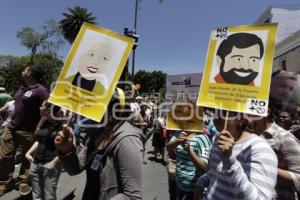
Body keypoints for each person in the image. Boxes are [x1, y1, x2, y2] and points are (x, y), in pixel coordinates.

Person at [55, 88, 143, 200]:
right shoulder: (97, 132)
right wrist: (66, 150)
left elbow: (132, 197)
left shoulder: (127, 140)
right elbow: (75, 169)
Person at [195, 110, 278, 200]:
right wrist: (201, 182)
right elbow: (214, 173)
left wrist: (229, 160)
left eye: (223, 112)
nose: (216, 117)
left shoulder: (260, 149)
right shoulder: (218, 140)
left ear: (241, 119)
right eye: (215, 112)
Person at [0, 64, 49, 196]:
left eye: (25, 70)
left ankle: (22, 181)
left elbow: (47, 111)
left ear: (30, 73)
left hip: (29, 131)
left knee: (27, 158)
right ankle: (4, 183)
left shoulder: (41, 90)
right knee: (5, 155)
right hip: (12, 127)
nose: (22, 71)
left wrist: (39, 128)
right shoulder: (22, 88)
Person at [245, 108, 300, 199]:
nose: (245, 116)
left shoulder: (283, 137)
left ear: (266, 112)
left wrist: (268, 168)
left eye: (250, 111)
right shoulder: (247, 135)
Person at [25, 101, 64, 200]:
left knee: (49, 196)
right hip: (36, 162)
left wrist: (53, 163)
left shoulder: (63, 125)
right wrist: (29, 153)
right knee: (36, 195)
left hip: (51, 165)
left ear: (48, 110)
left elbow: (67, 149)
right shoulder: (44, 121)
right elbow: (39, 140)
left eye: (42, 106)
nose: (39, 108)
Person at [166, 130, 211, 200]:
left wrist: (190, 151)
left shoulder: (202, 138)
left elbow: (204, 168)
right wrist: (177, 142)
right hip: (178, 184)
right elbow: (168, 148)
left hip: (193, 189)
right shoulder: (178, 133)